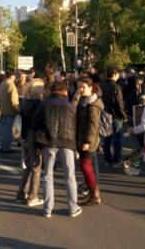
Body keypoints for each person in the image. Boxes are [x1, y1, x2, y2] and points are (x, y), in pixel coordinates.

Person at [34, 81, 82, 218]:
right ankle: (73, 207)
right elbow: (75, 127)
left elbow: (37, 124)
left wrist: (38, 145)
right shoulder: (70, 106)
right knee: (70, 176)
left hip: (49, 142)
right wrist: (76, 147)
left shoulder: (44, 104)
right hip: (67, 143)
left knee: (48, 176)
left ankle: (47, 209)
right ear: (65, 91)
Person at [15, 78, 45, 206]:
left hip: (25, 137)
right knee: (36, 168)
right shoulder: (39, 105)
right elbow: (38, 124)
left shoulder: (24, 103)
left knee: (27, 167)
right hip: (34, 138)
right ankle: (32, 196)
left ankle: (21, 193)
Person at [76, 77, 103, 205]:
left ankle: (95, 194)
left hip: (88, 141)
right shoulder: (84, 101)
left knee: (85, 165)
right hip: (82, 138)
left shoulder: (93, 105)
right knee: (85, 165)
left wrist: (87, 142)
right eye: (79, 87)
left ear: (91, 88)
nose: (80, 89)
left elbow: (93, 126)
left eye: (83, 87)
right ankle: (93, 193)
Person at [101, 67, 127, 167]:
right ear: (115, 74)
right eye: (118, 74)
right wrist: (124, 115)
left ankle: (107, 160)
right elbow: (119, 103)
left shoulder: (102, 85)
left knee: (107, 138)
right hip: (116, 114)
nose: (119, 76)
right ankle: (116, 160)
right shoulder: (116, 86)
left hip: (105, 113)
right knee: (118, 138)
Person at [0, 70, 20, 152]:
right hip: (10, 111)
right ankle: (6, 147)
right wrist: (18, 110)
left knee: (5, 130)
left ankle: (3, 146)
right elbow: (13, 100)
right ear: (12, 76)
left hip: (3, 109)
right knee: (9, 131)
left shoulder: (2, 84)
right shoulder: (11, 85)